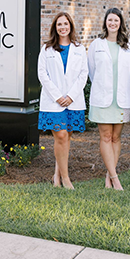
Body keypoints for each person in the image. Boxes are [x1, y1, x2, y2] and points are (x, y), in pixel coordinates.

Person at [87, 8, 130, 191]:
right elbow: (92, 71)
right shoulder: (96, 45)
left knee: (116, 137)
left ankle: (109, 176)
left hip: (122, 98)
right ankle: (115, 178)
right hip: (102, 98)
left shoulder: (129, 45)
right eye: (110, 20)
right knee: (106, 137)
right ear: (105, 23)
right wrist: (103, 86)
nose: (112, 23)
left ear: (120, 23)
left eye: (116, 20)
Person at [38, 12, 88, 190]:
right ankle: (66, 179)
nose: (63, 27)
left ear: (70, 26)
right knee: (60, 135)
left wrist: (71, 96)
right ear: (55, 28)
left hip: (73, 100)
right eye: (59, 25)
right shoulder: (46, 49)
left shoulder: (79, 48)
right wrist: (58, 96)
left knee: (67, 139)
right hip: (53, 101)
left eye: (65, 24)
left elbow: (84, 74)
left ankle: (57, 176)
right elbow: (42, 75)